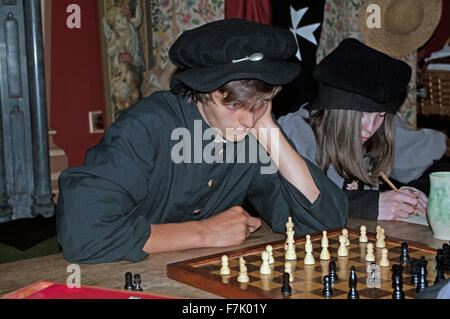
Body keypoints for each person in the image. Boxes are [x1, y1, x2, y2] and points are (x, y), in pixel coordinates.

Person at [56, 19, 348, 264]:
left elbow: (325, 224)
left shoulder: (255, 130)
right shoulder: (148, 125)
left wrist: (269, 129)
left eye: (262, 102)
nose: (248, 121)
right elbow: (83, 233)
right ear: (202, 91)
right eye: (233, 106)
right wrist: (204, 232)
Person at [278, 38, 448, 221]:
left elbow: (440, 164)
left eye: (380, 115)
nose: (370, 128)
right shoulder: (293, 131)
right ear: (339, 111)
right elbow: (283, 201)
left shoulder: (382, 128)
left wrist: (415, 191)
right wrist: (368, 206)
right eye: (362, 115)